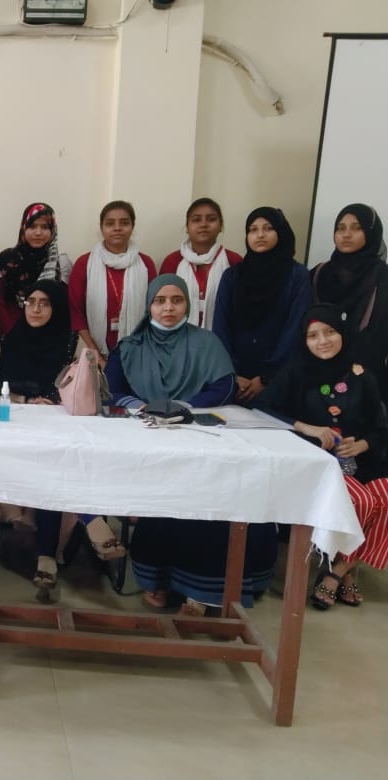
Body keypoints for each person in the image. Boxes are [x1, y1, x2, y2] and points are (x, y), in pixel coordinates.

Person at [108, 275, 268, 615]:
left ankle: (201, 589)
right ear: (149, 305)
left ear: (188, 305)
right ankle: (156, 578)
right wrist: (142, 407)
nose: (168, 307)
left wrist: (183, 408)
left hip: (197, 433)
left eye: (177, 300)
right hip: (146, 436)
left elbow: (223, 386)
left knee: (206, 495)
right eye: (160, 300)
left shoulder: (207, 343)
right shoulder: (130, 346)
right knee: (160, 497)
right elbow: (114, 388)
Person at [259, 304, 388, 610]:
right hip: (318, 465)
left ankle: (339, 569)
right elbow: (262, 408)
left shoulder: (362, 375)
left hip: (362, 462)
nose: (323, 341)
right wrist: (306, 427)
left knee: (384, 495)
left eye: (330, 332)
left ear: (343, 333)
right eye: (313, 335)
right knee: (362, 501)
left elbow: (381, 428)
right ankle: (340, 572)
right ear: (304, 340)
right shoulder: (295, 371)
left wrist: (363, 444)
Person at [0, 279, 77, 600]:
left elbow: (86, 391)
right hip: (12, 426)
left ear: (57, 308)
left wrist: (56, 403)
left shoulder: (73, 345)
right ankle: (28, 521)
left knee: (53, 470)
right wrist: (22, 401)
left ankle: (46, 553)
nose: (35, 309)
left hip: (56, 429)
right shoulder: (8, 341)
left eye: (44, 303)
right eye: (30, 302)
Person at [212, 207, 310, 405]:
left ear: (280, 232)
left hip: (278, 380)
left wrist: (267, 377)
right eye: (253, 229)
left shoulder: (297, 275)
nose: (260, 235)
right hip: (235, 381)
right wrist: (231, 373)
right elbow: (220, 326)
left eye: (268, 228)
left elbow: (295, 328)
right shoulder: (233, 276)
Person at [311, 204, 388, 404]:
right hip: (314, 373)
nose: (346, 234)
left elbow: (379, 336)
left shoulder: (382, 277)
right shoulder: (320, 273)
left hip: (362, 380)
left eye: (357, 228)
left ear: (371, 233)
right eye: (340, 228)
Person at [68, 200, 157, 369]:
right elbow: (76, 313)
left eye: (124, 223)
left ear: (132, 226)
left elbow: (153, 311)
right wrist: (97, 357)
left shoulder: (146, 264)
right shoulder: (84, 263)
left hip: (138, 354)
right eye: (110, 223)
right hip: (93, 354)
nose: (117, 228)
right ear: (101, 228)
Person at [159, 197, 242, 329]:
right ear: (187, 227)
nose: (203, 224)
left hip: (222, 336)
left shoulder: (234, 261)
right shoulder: (172, 262)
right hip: (177, 336)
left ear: (221, 226)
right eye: (196, 220)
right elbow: (160, 306)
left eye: (211, 219)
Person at [0, 202, 72, 337]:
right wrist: (13, 336)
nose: (38, 233)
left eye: (45, 227)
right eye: (32, 226)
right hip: (12, 335)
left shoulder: (61, 262)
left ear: (53, 230)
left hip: (51, 336)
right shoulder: (6, 261)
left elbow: (65, 305)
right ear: (23, 228)